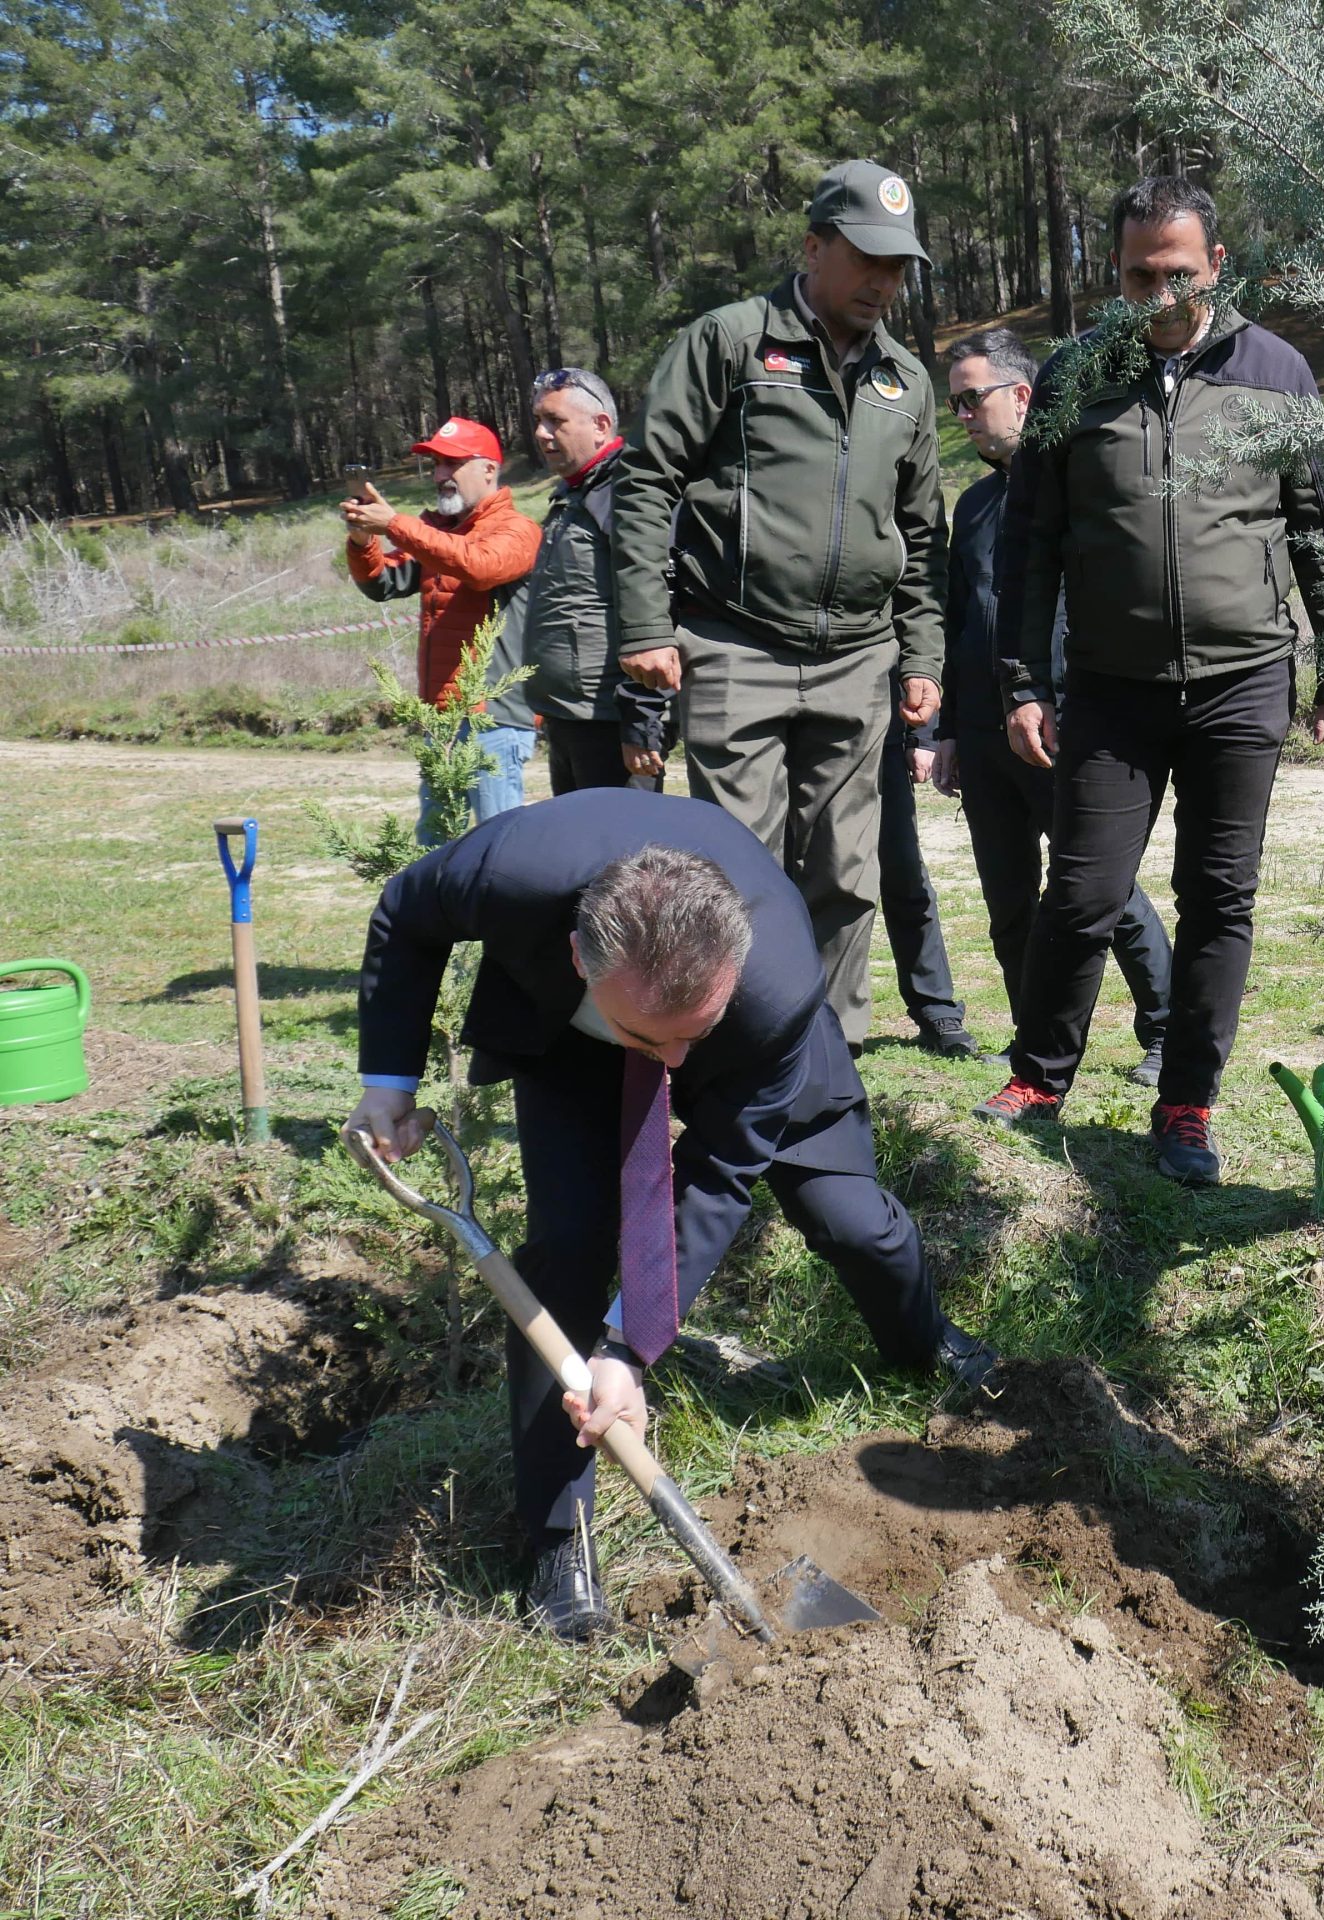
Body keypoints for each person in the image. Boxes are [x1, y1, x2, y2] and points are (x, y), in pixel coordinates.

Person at [342, 789, 996, 1640]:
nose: (675, 1065)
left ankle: (922, 1338)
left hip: (756, 1049)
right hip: (572, 1047)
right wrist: (388, 1084)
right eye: (658, 1042)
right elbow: (406, 912)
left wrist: (632, 1344)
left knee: (848, 1219)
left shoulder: (775, 989)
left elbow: (716, 1175)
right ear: (581, 958)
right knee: (566, 1251)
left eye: (693, 1034)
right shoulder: (513, 872)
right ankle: (557, 1540)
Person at [972, 177, 1324, 1186]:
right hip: (1110, 684)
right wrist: (1022, 682)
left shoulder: (1277, 373)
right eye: (1139, 271)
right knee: (1083, 893)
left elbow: (1323, 530)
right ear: (1117, 269)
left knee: (1217, 898)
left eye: (1176, 269)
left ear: (1215, 265)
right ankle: (1037, 1079)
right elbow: (1030, 543)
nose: (1157, 288)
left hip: (1243, 680)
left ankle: (1185, 1106)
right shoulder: (1072, 379)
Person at [610, 159, 947, 1051]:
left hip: (858, 659)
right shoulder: (730, 342)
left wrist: (922, 657)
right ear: (812, 246)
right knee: (733, 870)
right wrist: (646, 626)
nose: (885, 281)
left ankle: (830, 1055)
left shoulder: (905, 382)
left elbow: (919, 537)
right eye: (867, 258)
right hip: (735, 647)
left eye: (900, 265)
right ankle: (730, 1048)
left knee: (846, 870)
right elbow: (648, 480)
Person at [934, 327, 1173, 1081]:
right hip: (981, 732)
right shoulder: (971, 506)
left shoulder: (1082, 483)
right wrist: (944, 732)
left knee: (1103, 889)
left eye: (974, 398)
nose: (964, 416)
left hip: (1062, 721)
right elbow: (958, 621)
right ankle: (1031, 1036)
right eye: (955, 404)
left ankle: (1166, 1032)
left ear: (1023, 396)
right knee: (1008, 900)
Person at [342, 416, 541, 840]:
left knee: (497, 845)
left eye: (452, 464)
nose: (441, 476)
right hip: (441, 717)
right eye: (436, 465)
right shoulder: (433, 533)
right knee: (434, 845)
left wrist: (397, 525)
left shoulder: (518, 530)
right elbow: (383, 583)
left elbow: (479, 565)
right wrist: (363, 541)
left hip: (494, 718)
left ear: (489, 469)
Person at [520, 367, 662, 796]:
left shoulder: (627, 493)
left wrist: (643, 721)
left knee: (624, 857)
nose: (542, 435)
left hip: (610, 723)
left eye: (556, 421)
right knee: (578, 857)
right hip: (568, 718)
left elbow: (656, 606)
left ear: (601, 426)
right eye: (538, 422)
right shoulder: (573, 494)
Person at [873, 709, 978, 1058]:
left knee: (904, 873)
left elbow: (918, 657)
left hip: (875, 733)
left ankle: (936, 1008)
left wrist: (921, 734)